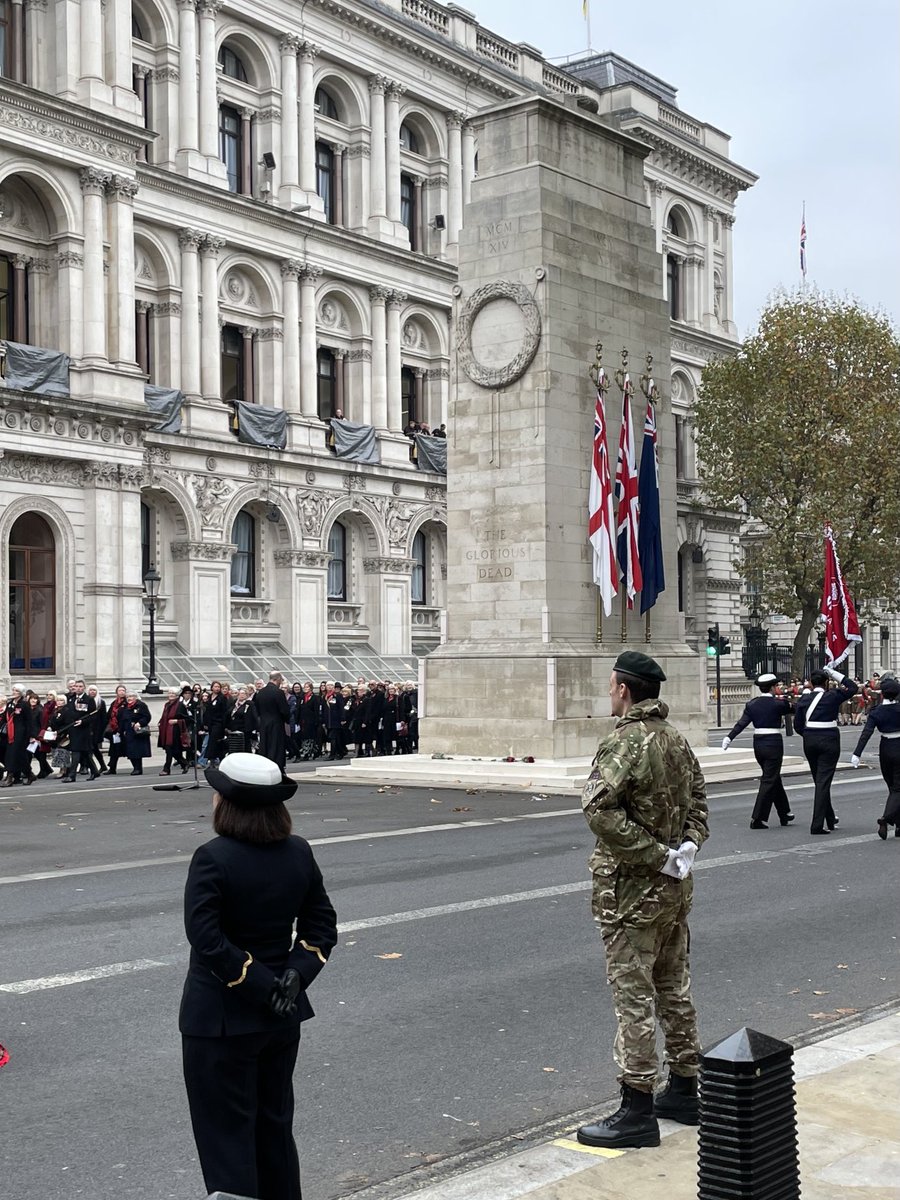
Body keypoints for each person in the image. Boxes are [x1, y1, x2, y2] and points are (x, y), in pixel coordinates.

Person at [180, 753, 337, 1200]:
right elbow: (320, 928)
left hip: (222, 1019)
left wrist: (259, 983)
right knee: (274, 1129)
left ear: (226, 804)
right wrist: (294, 976)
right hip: (282, 1016)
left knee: (226, 1137)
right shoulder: (298, 850)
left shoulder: (213, 857)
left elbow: (206, 940)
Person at [577, 651, 709, 1150]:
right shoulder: (676, 740)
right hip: (675, 889)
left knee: (633, 998)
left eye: (612, 686)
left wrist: (653, 854)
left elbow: (596, 807)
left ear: (625, 690)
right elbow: (699, 802)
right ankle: (684, 1088)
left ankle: (636, 1106)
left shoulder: (625, 742)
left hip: (631, 893)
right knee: (674, 989)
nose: (609, 694)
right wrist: (685, 849)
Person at [722, 673, 795, 829]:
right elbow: (795, 709)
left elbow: (741, 723)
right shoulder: (778, 704)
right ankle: (758, 818)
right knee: (769, 780)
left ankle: (785, 813)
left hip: (758, 744)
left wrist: (729, 738)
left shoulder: (752, 704)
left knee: (773, 777)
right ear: (773, 687)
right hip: (773, 744)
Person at [795, 665, 858, 834]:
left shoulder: (803, 700)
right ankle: (817, 825)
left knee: (820, 781)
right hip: (829, 740)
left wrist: (809, 735)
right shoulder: (833, 696)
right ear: (826, 682)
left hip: (809, 740)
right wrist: (834, 673)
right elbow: (853, 687)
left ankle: (829, 819)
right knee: (823, 782)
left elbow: (797, 726)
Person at [850, 674, 900, 839]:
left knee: (892, 786)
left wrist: (857, 753)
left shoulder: (876, 711)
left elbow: (867, 733)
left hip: (885, 748)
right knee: (897, 788)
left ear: (882, 694)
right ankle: (886, 818)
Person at [255, 671, 291, 770]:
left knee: (265, 745)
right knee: (276, 747)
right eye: (281, 680)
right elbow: (284, 710)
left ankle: (265, 767)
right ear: (277, 679)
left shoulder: (260, 693)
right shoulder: (278, 692)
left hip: (263, 723)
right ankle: (277, 768)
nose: (281, 682)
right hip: (276, 723)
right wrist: (287, 720)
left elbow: (257, 710)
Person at [158, 687, 190, 776]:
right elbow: (164, 716)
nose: (171, 695)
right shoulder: (167, 705)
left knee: (171, 750)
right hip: (166, 730)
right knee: (173, 751)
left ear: (176, 695)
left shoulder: (180, 705)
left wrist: (177, 721)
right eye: (170, 693)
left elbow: (187, 719)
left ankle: (166, 769)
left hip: (176, 731)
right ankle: (184, 763)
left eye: (173, 693)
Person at [119, 692, 153, 775]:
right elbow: (123, 719)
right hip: (128, 731)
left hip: (138, 731)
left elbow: (147, 716)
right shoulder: (125, 707)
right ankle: (135, 767)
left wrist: (140, 723)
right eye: (127, 697)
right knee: (130, 751)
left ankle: (138, 768)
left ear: (135, 697)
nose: (129, 698)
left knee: (137, 751)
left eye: (131, 696)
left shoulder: (141, 705)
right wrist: (122, 729)